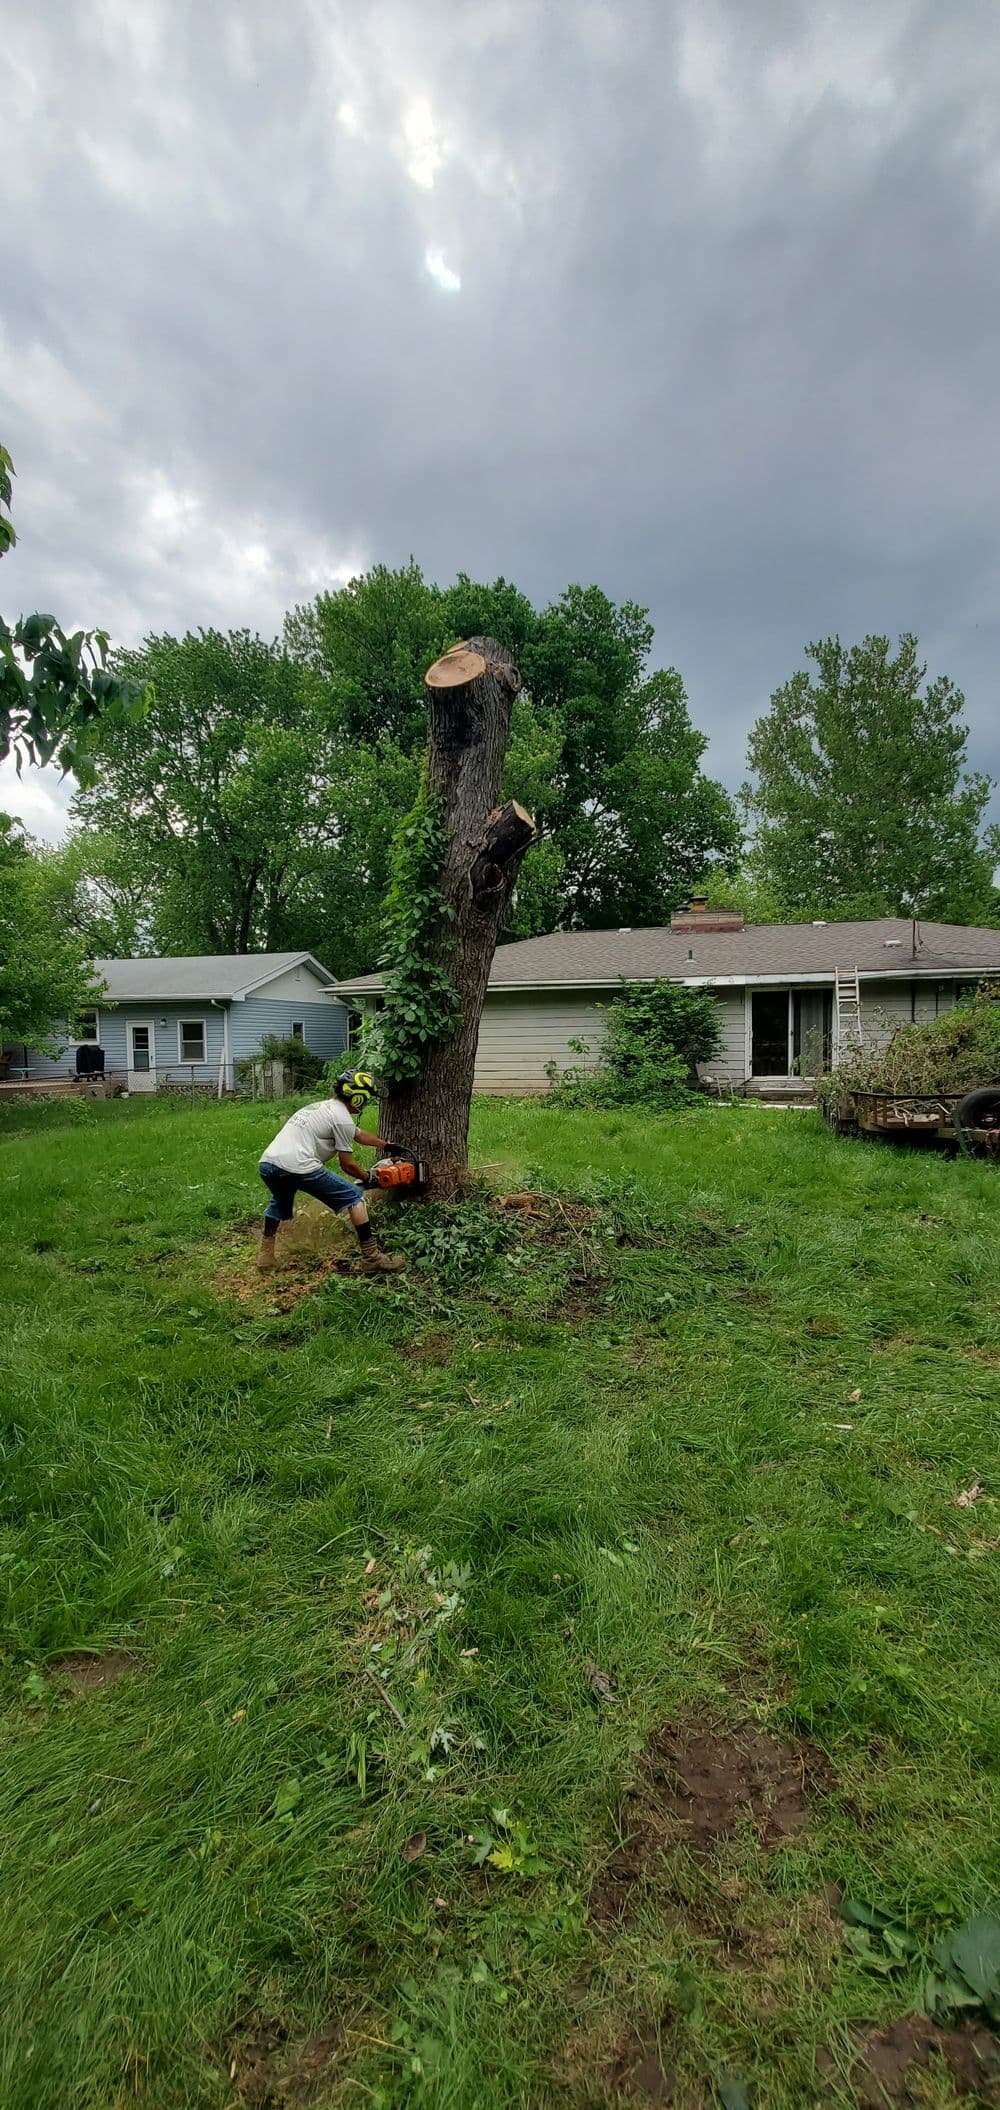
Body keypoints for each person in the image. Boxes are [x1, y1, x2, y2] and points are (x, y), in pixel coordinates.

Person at [257, 1068, 405, 1275]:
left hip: (269, 1164)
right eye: (366, 1098)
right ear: (357, 1097)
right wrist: (368, 1178)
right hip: (299, 1166)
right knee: (355, 1198)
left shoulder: (323, 1107)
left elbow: (358, 1134)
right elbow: (347, 1165)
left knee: (280, 1201)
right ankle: (372, 1258)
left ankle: (265, 1257)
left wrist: (387, 1145)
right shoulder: (341, 1118)